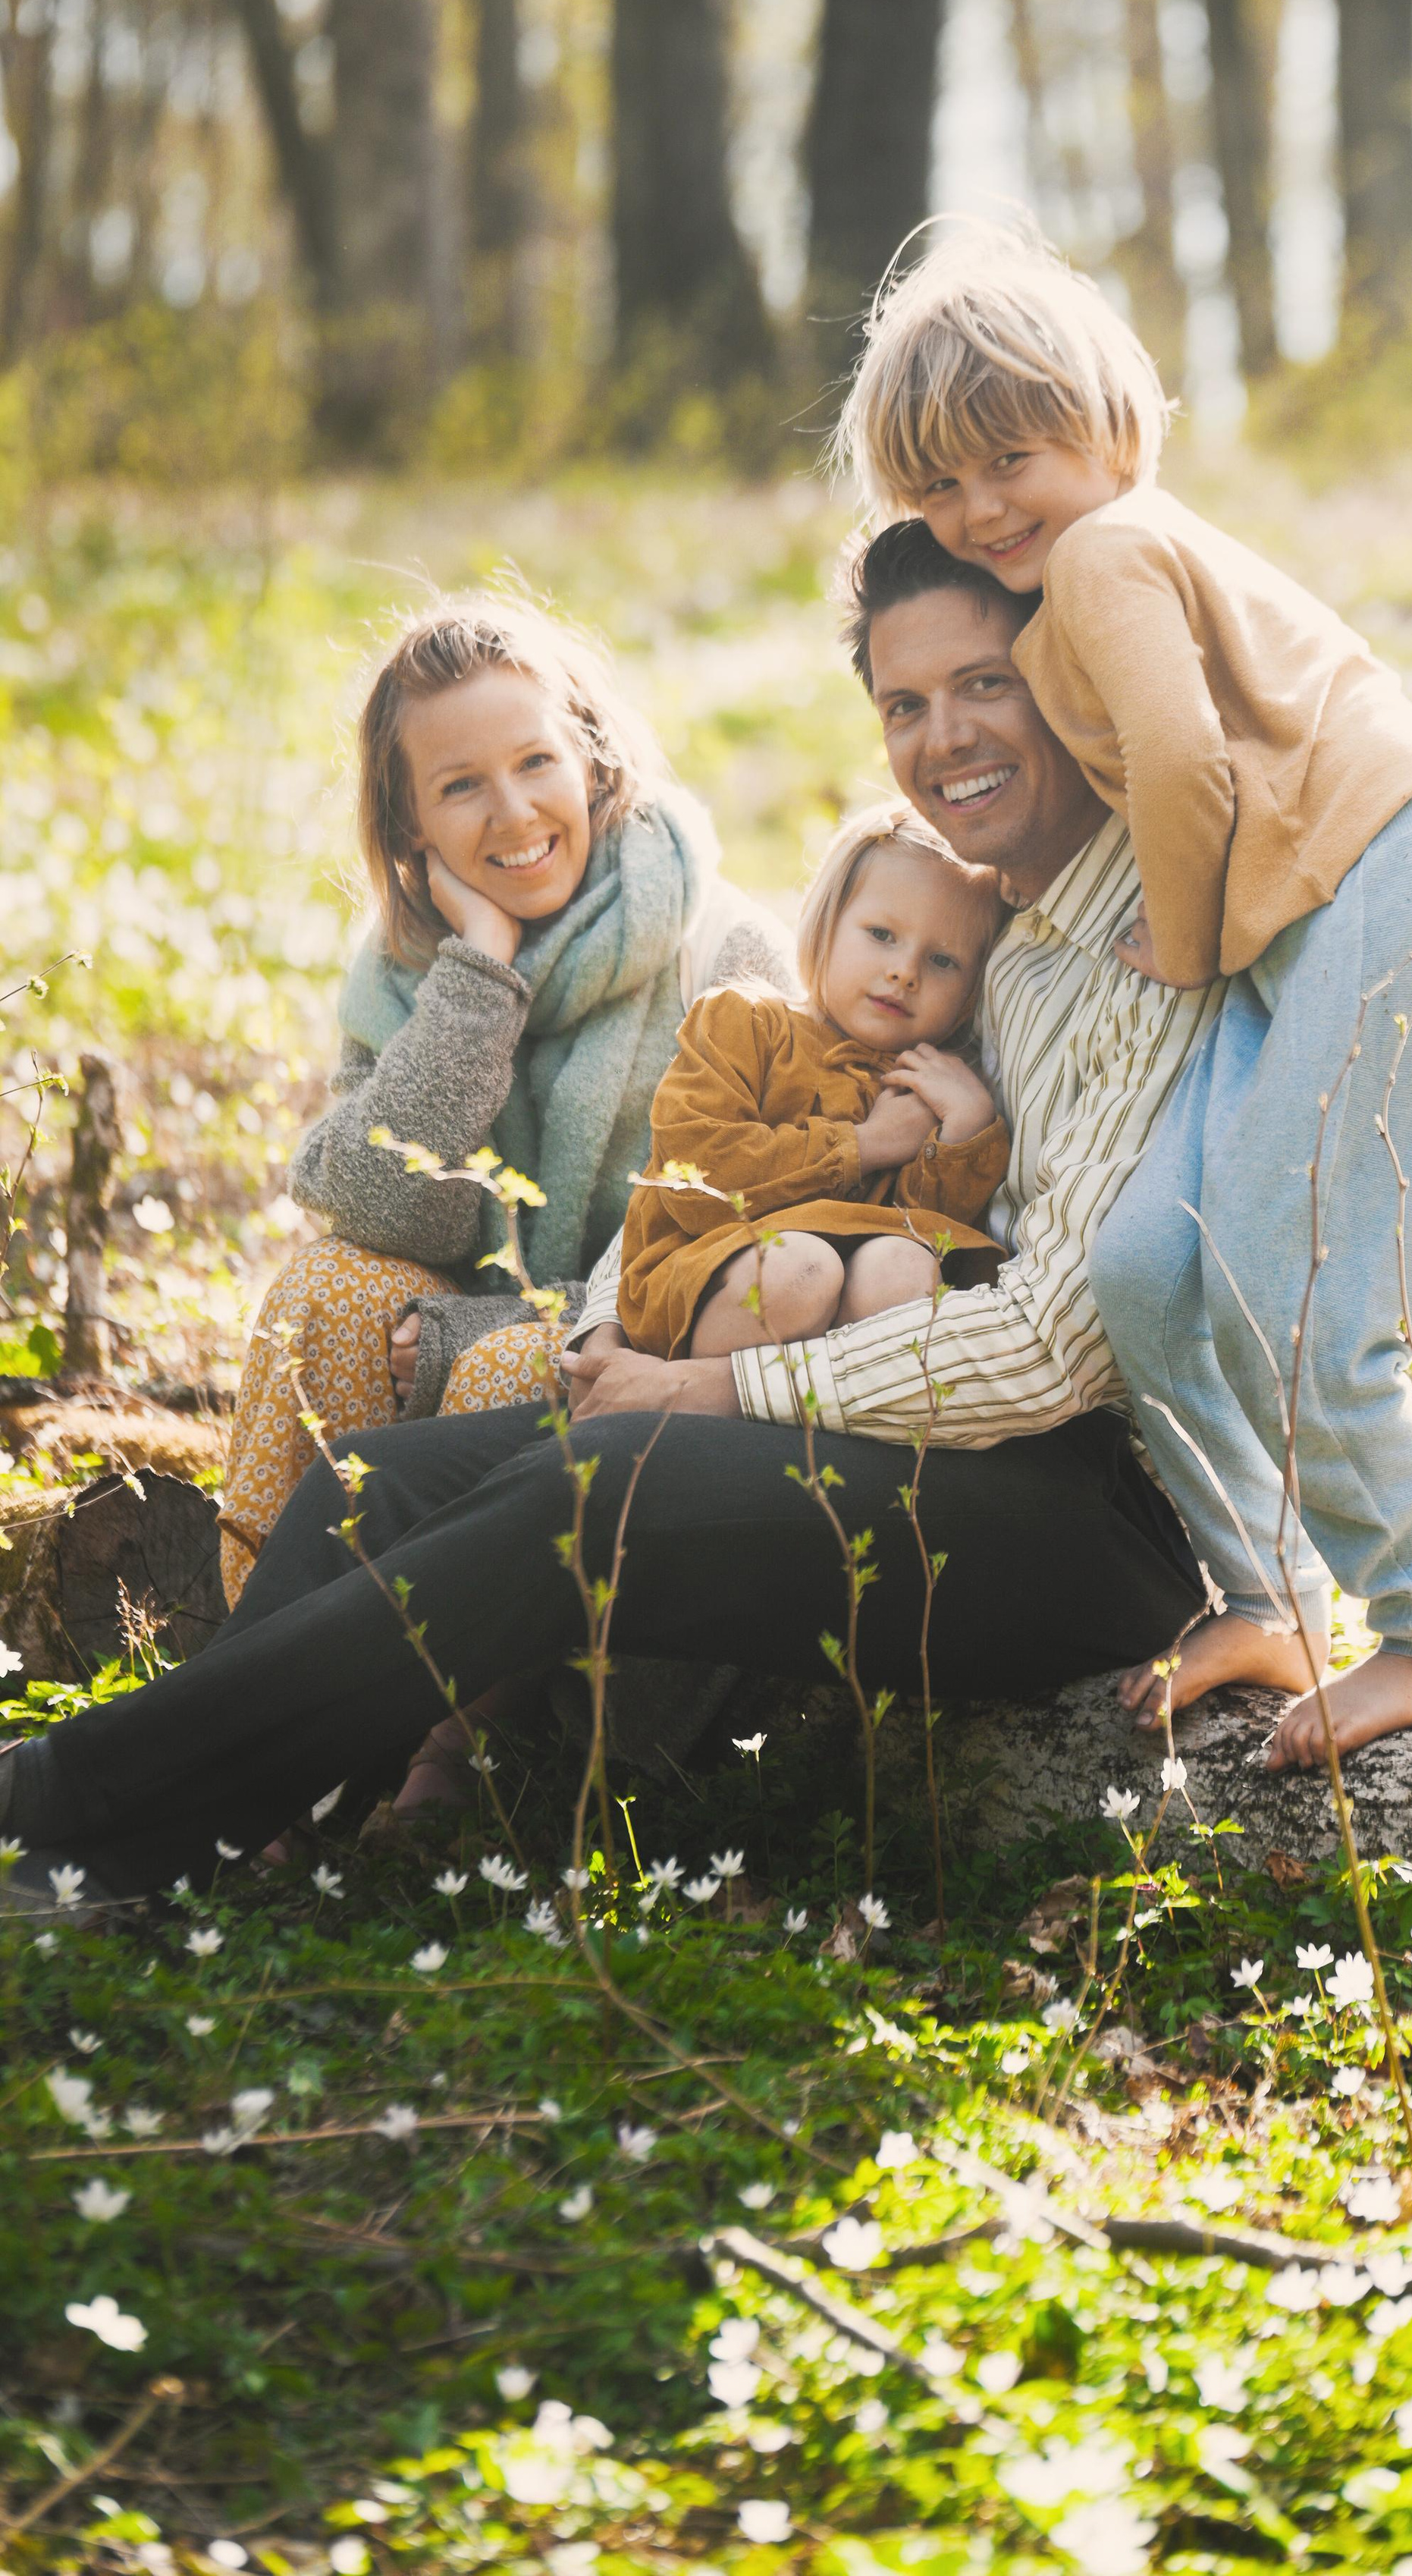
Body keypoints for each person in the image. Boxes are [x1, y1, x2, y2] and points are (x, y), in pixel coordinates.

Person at [0, 525, 1323, 1918]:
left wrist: (711, 1386)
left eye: (984, 685)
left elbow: (1053, 1354)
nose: (944, 738)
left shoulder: (1151, 921)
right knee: (376, 1480)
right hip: (904, 1434)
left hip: (1090, 1521)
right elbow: (754, 1154)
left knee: (593, 1493)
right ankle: (253, 1824)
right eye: (903, 704)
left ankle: (73, 1816)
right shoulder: (977, 918)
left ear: (1064, 674)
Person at [834, 218, 1412, 1767]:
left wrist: (1172, 932)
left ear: (1109, 424)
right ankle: (1266, 1590)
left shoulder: (1104, 554)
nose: (978, 509)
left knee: (1303, 1289)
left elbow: (1177, 759)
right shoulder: (1083, 565)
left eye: (1009, 456)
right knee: (1153, 1263)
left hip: (1398, 883)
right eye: (939, 486)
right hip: (1311, 928)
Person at [220, 592, 789, 1606]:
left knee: (507, 1371)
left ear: (592, 759)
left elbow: (737, 1257)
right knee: (328, 1291)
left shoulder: (721, 951)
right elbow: (391, 1211)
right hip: (469, 1320)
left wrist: (477, 1333)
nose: (516, 814)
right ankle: (273, 1684)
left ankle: (474, 1727)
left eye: (536, 763)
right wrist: (481, 976)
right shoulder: (409, 975)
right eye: (462, 786)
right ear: (411, 826)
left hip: (654, 1356)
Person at [618, 802, 1009, 1365]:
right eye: (881, 934)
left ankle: (821, 1431)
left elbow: (925, 1228)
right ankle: (695, 1407)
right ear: (826, 922)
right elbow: (698, 1177)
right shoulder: (743, 1020)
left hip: (853, 1283)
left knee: (906, 1268)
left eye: (943, 961)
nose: (906, 972)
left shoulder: (927, 1083)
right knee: (801, 1269)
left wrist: (964, 1131)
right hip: (710, 1266)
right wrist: (866, 1145)